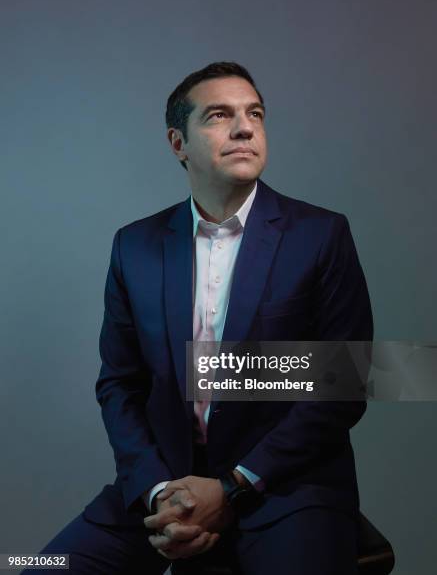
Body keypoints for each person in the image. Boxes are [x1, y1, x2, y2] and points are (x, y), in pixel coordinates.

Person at [25, 61, 373, 574]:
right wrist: (160, 492)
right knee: (39, 568)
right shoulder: (135, 246)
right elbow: (119, 385)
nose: (244, 127)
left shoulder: (320, 235)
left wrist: (233, 486)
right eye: (218, 115)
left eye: (254, 113)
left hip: (285, 490)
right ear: (177, 143)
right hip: (164, 487)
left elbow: (344, 386)